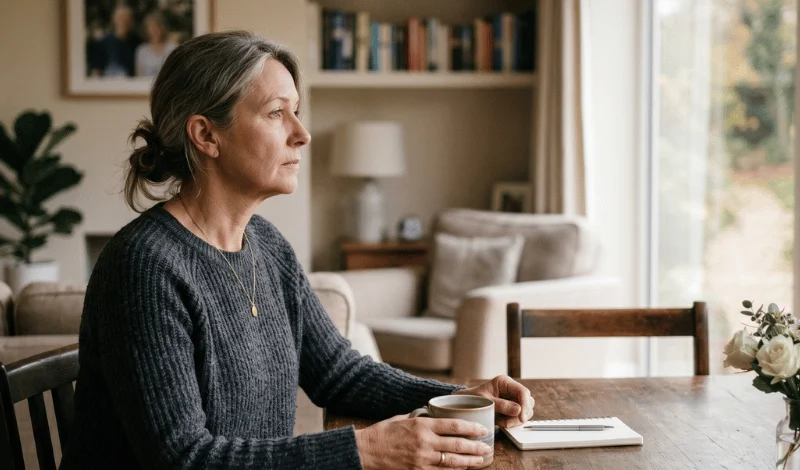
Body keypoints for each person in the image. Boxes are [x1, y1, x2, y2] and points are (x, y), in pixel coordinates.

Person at [59, 31, 535, 469]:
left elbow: (339, 373)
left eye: (297, 111)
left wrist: (460, 396)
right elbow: (184, 458)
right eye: (275, 113)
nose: (302, 134)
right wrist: (362, 450)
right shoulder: (144, 266)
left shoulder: (265, 244)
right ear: (206, 135)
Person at [89, 5, 142, 77]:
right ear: (114, 19)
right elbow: (96, 71)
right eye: (121, 18)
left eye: (127, 18)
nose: (124, 21)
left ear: (131, 21)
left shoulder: (138, 42)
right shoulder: (104, 43)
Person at [135, 11, 177, 77]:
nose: (154, 30)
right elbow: (139, 76)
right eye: (151, 27)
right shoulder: (142, 50)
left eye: (156, 26)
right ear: (146, 30)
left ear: (162, 28)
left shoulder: (172, 48)